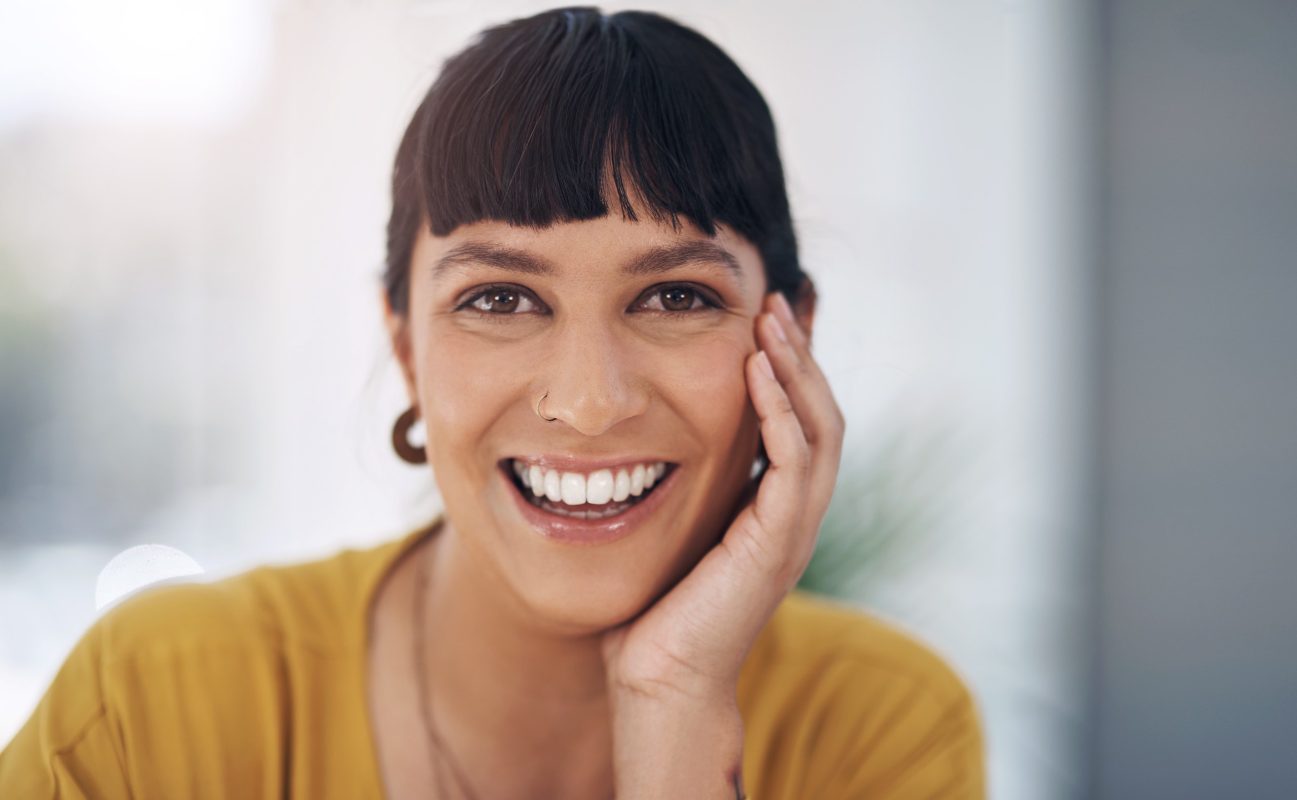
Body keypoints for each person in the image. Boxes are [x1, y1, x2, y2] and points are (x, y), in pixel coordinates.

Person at [0, 6, 984, 798]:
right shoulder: (154, 705)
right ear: (406, 346)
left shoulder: (879, 724)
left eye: (676, 295)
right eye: (501, 297)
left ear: (789, 334)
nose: (589, 401)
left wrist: (675, 702)